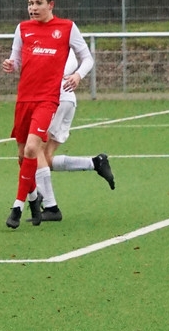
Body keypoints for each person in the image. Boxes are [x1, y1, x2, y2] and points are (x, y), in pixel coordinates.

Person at [1, 0, 93, 228]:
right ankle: (34, 198)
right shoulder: (22, 29)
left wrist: (78, 75)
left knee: (33, 148)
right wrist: (11, 64)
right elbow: (16, 60)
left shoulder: (67, 28)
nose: (33, 8)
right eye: (30, 3)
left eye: (38, 3)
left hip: (47, 99)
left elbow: (87, 58)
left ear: (50, 5)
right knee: (23, 156)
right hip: (24, 99)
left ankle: (17, 206)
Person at [30, 48, 114, 223]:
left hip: (56, 99)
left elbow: (72, 61)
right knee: (45, 157)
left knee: (35, 150)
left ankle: (51, 207)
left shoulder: (55, 39)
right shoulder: (52, 41)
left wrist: (61, 76)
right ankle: (96, 163)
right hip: (67, 99)